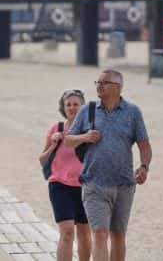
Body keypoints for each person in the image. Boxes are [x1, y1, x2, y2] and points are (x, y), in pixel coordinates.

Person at [64, 70, 152, 261]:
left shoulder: (133, 112)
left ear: (118, 87)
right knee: (100, 234)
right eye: (98, 81)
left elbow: (144, 145)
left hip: (124, 185)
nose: (99, 85)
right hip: (93, 184)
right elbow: (68, 140)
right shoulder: (87, 110)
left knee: (118, 236)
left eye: (104, 82)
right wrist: (85, 137)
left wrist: (144, 167)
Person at [39, 89, 92, 261]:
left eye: (76, 104)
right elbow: (42, 160)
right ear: (63, 107)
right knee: (67, 231)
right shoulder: (57, 129)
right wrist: (53, 144)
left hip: (85, 187)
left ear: (83, 106)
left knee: (84, 233)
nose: (72, 107)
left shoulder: (90, 131)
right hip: (59, 186)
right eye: (68, 104)